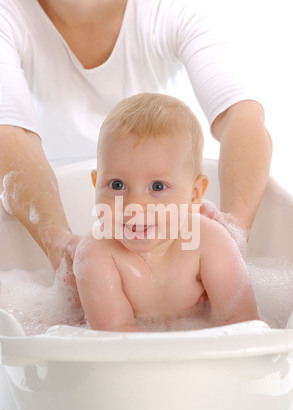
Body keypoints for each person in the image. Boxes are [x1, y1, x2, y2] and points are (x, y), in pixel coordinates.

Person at [0, 0, 272, 281]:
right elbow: (10, 135)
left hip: (162, 211)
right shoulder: (9, 15)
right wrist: (57, 241)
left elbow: (241, 115)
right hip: (48, 199)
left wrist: (233, 230)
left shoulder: (170, 9)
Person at [73, 93, 258, 332]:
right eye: (117, 185)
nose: (134, 206)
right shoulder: (96, 253)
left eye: (157, 187)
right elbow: (116, 336)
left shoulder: (210, 242)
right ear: (96, 183)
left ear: (194, 194)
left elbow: (243, 324)